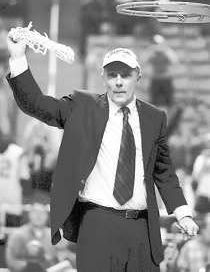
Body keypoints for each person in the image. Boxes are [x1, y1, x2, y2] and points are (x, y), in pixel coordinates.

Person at [6, 34, 199, 272]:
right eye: (112, 74)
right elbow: (36, 104)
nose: (118, 81)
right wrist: (17, 57)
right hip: (97, 223)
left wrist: (183, 214)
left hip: (142, 228)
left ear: (138, 76)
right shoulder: (82, 106)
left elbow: (164, 173)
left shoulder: (154, 117)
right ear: (103, 77)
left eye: (125, 74)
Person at [5, 203, 58, 272]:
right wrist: (29, 267)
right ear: (29, 215)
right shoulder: (18, 234)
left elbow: (58, 258)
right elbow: (11, 259)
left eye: (42, 213)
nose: (38, 216)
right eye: (35, 213)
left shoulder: (53, 235)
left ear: (47, 216)